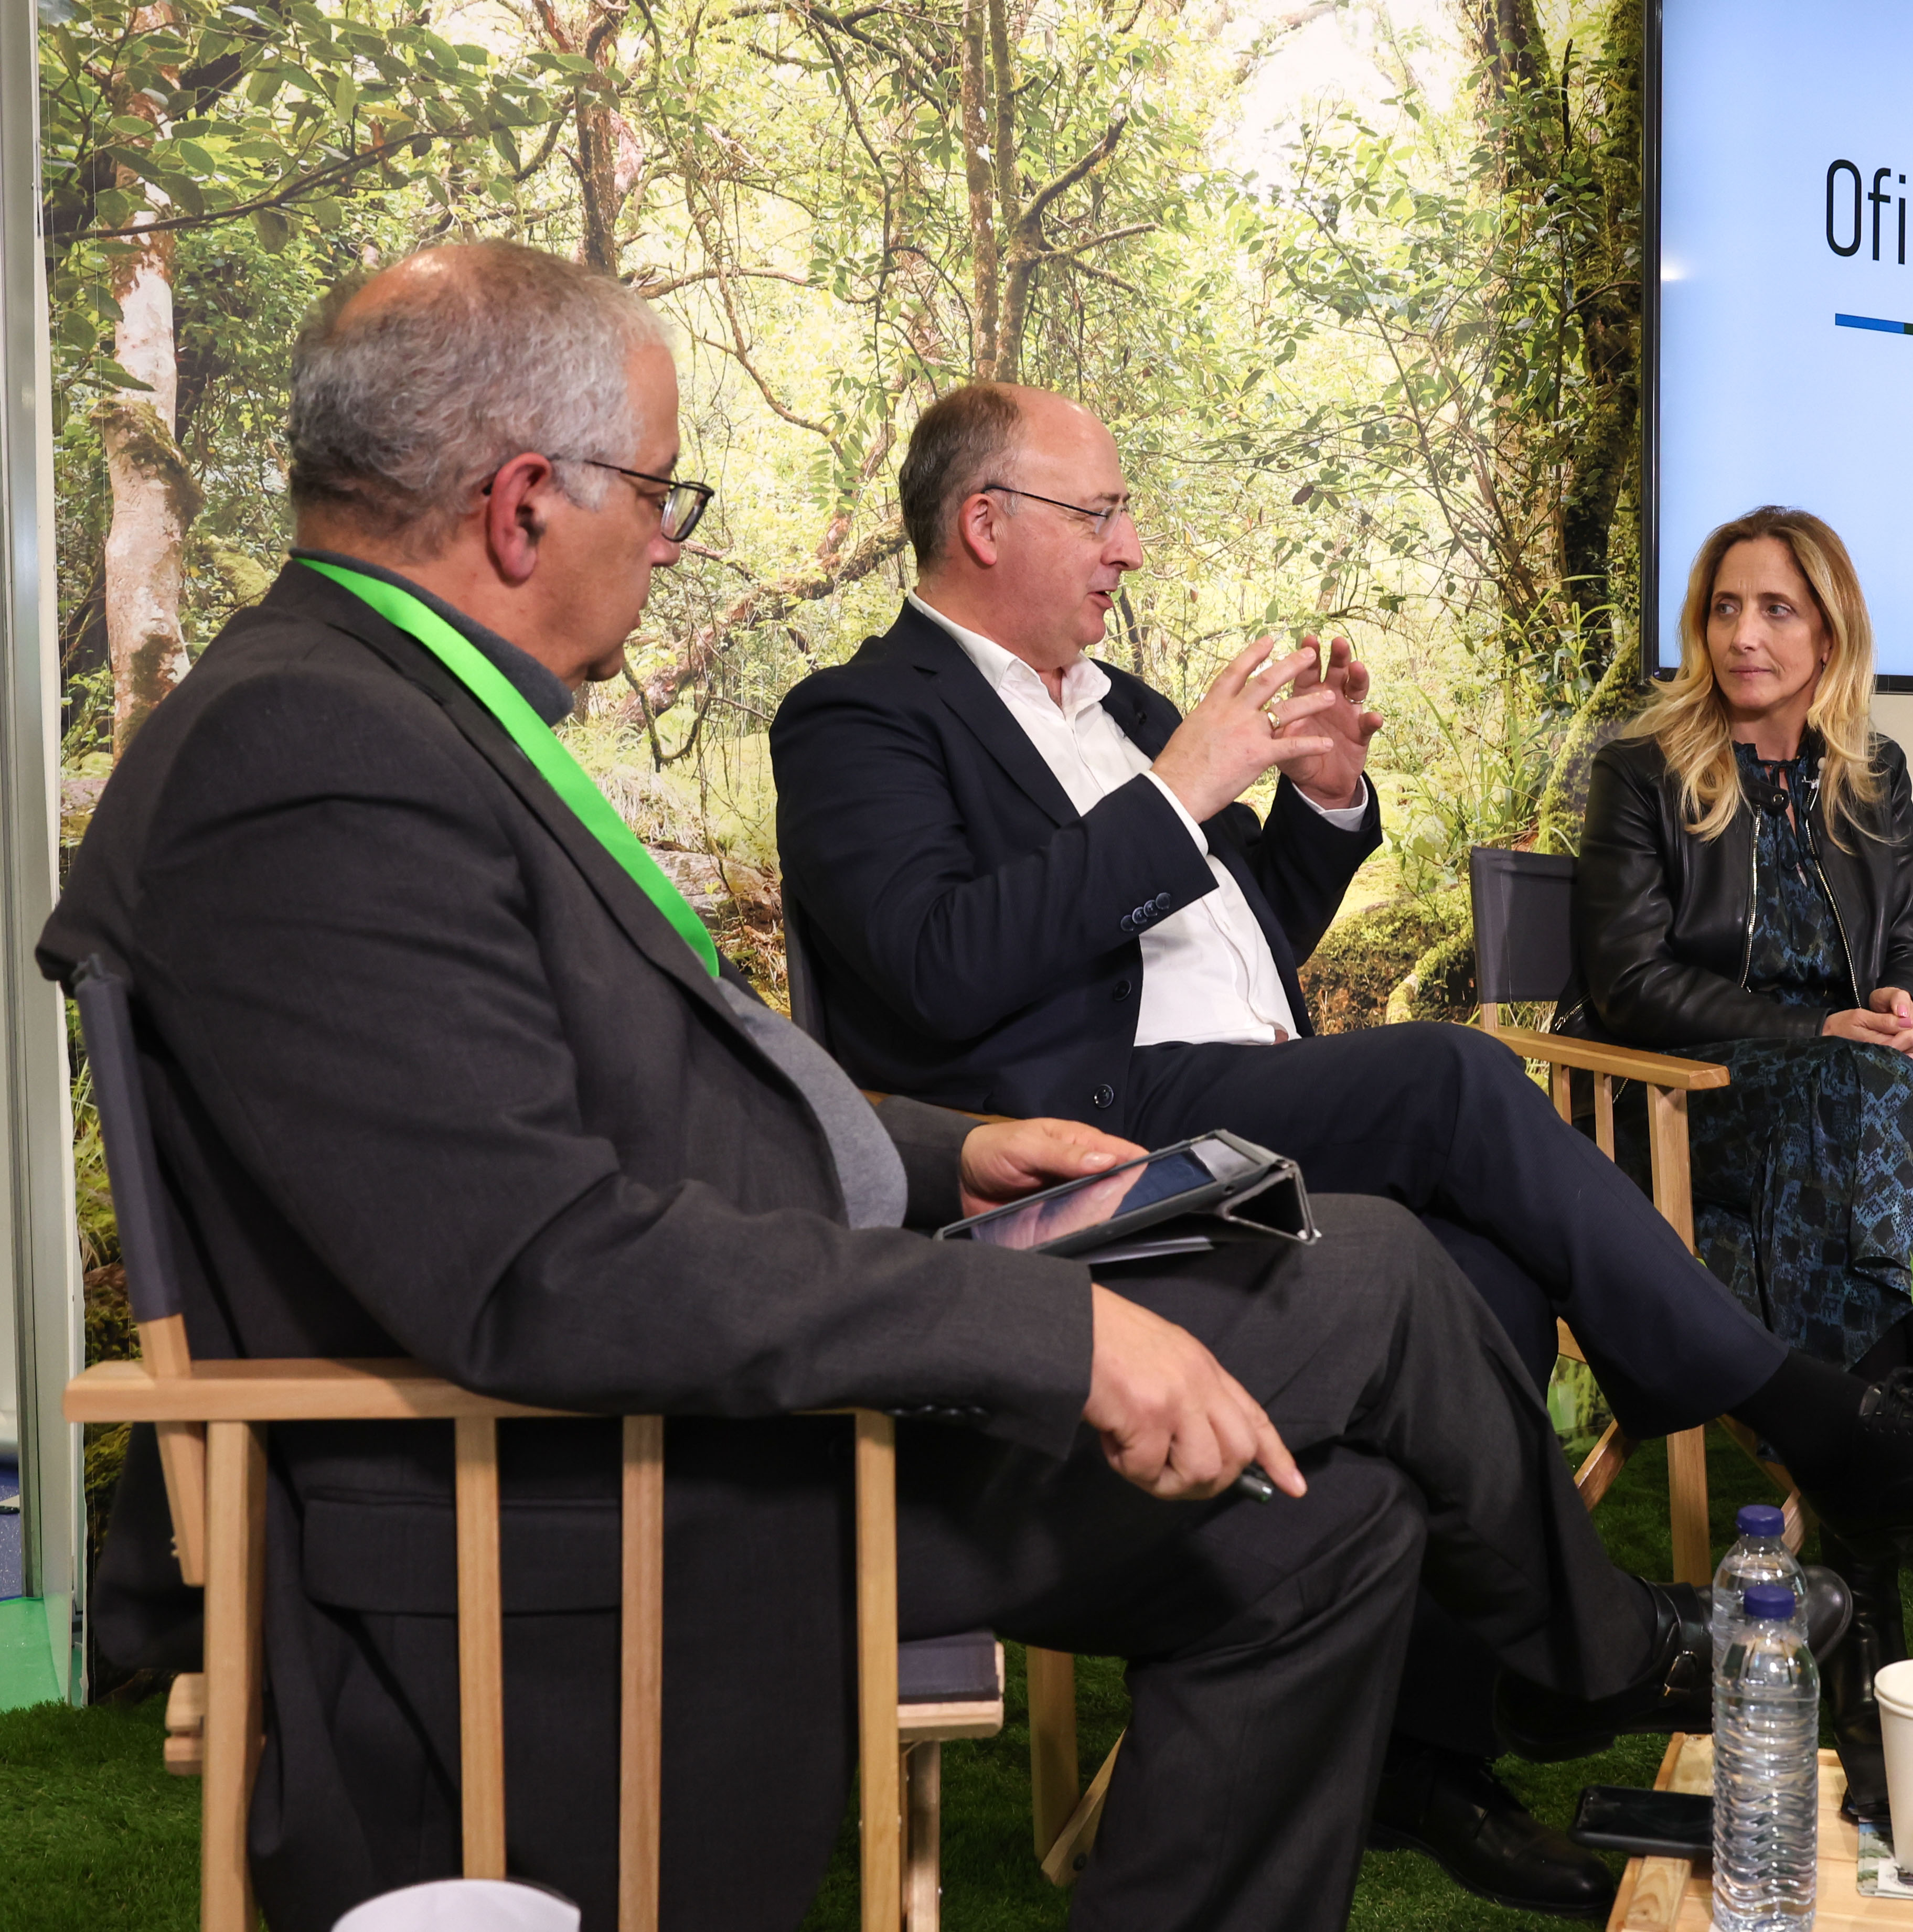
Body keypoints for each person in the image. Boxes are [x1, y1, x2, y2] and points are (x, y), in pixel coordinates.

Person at [41, 241, 1734, 1932]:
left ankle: (1576, 1653)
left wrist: (955, 1149)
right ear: (522, 506)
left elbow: (647, 1098)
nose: (667, 537)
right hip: (619, 1486)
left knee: (1333, 1524)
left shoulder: (386, 716)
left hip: (721, 1402)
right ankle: (1600, 1653)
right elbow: (543, 1264)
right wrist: (1046, 1331)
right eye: (656, 490)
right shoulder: (316, 757)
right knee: (1366, 1259)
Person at [768, 381, 1913, 1906]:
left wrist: (1314, 800)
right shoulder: (862, 716)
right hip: (1068, 1142)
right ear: (986, 522)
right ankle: (1788, 1413)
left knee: (1484, 1273)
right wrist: (1187, 788)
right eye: (1099, 514)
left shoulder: (1124, 708)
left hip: (1228, 1086)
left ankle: (1423, 1756)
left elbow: (1235, 941)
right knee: (1449, 1079)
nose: (1130, 548)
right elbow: (935, 967)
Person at [1555, 503, 1913, 1822]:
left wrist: (1906, 1005)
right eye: (1725, 608)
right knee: (1857, 1090)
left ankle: (1870, 1575)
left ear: (1829, 631)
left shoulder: (1869, 775)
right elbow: (1630, 981)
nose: (1745, 635)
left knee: (1868, 1094)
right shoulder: (1646, 771)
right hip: (1692, 1105)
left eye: (1776, 610)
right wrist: (1820, 1031)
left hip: (1843, 1126)